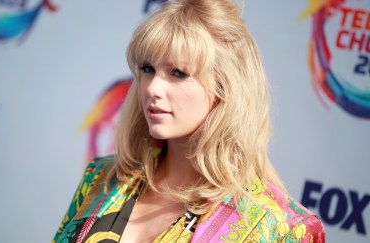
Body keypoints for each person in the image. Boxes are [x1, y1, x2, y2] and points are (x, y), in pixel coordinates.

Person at [53, 0, 326, 242]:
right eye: (148, 69)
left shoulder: (278, 228)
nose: (152, 88)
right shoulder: (102, 177)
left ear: (226, 88)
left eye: (178, 73)